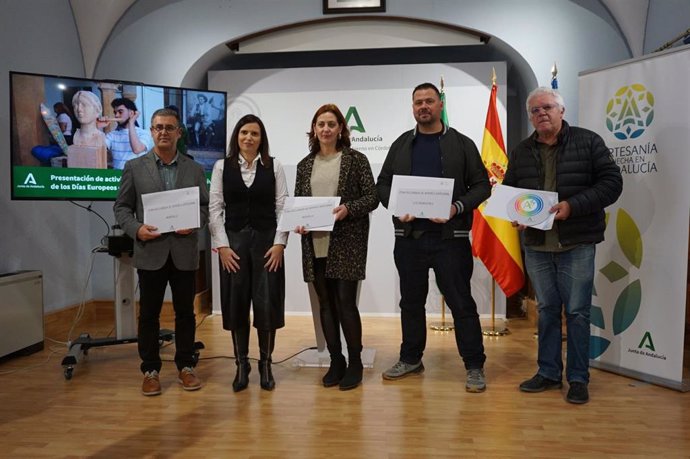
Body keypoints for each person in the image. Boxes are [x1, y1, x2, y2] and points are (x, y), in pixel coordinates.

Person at [503, 87, 623, 404]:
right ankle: (548, 373)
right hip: (537, 244)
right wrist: (514, 213)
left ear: (561, 110)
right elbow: (510, 191)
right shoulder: (520, 151)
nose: (541, 113)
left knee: (579, 313)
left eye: (547, 107)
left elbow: (612, 184)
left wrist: (573, 206)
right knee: (545, 312)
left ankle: (579, 378)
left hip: (577, 242)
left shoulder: (589, 142)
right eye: (535, 110)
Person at [376, 82, 491, 393]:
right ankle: (411, 358)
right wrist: (398, 206)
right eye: (417, 102)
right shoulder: (401, 145)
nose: (423, 106)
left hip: (450, 239)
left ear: (440, 105)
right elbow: (382, 185)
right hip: (409, 238)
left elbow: (482, 186)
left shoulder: (462, 144)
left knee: (460, 303)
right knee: (410, 302)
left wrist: (457, 207)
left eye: (428, 101)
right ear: (412, 108)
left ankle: (474, 365)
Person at [113, 107, 209, 396]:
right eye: (158, 127)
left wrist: (194, 223)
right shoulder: (134, 167)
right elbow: (121, 208)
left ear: (179, 133)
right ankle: (151, 370)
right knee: (149, 315)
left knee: (186, 314)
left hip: (183, 252)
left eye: (169, 127)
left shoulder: (194, 169)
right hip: (150, 251)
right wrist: (136, 229)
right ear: (151, 131)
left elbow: (204, 208)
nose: (164, 132)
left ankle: (186, 366)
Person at [294, 103, 378, 391]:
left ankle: (355, 362)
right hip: (314, 243)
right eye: (321, 124)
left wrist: (348, 209)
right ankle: (336, 360)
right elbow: (298, 203)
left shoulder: (356, 159)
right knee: (325, 305)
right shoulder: (305, 165)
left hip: (347, 241)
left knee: (345, 304)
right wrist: (299, 222)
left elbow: (372, 198)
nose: (326, 129)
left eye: (331, 124)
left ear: (341, 128)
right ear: (314, 130)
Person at [208, 114, 288, 392]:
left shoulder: (274, 166)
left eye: (254, 133)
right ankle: (242, 364)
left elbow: (282, 209)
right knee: (236, 304)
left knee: (267, 305)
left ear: (261, 138)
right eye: (244, 133)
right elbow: (215, 209)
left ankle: (266, 364)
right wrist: (223, 246)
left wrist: (280, 244)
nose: (249, 138)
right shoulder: (222, 167)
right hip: (234, 246)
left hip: (268, 245)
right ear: (236, 136)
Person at [103, 98, 154, 170]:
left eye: (120, 112)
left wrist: (131, 122)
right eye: (115, 112)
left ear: (131, 113)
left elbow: (137, 149)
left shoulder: (144, 133)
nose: (116, 115)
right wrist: (97, 128)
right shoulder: (112, 135)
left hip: (137, 179)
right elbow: (97, 150)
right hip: (118, 179)